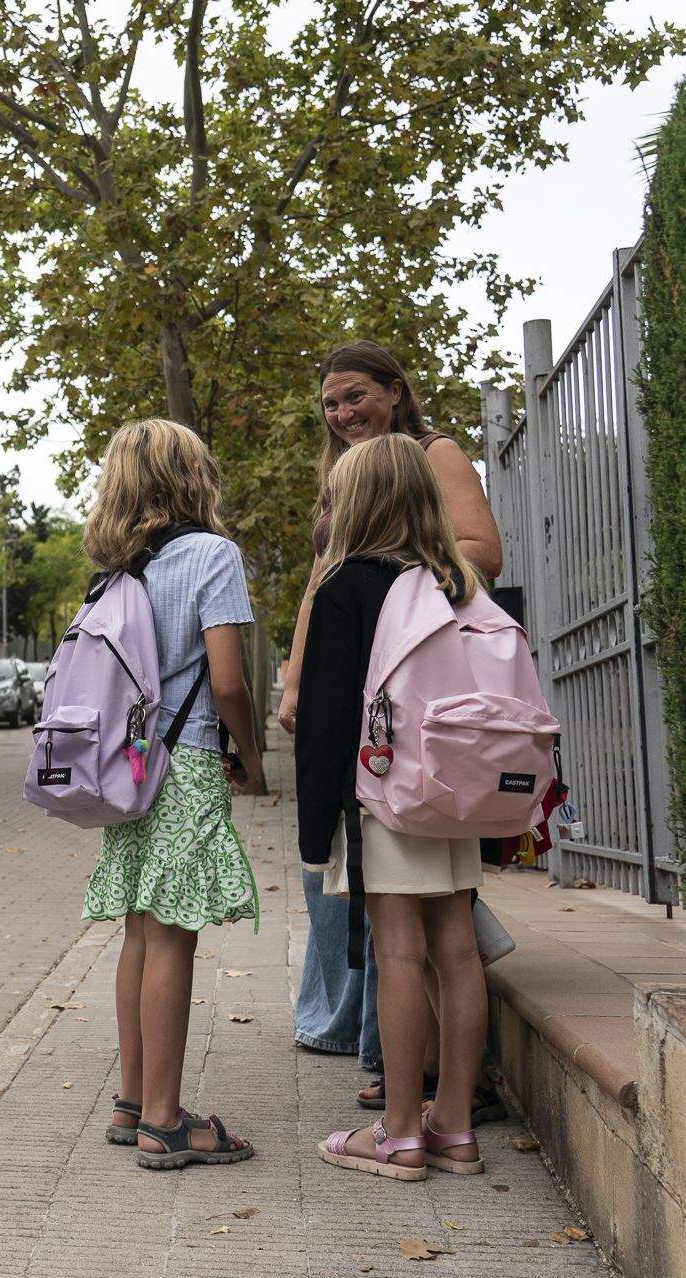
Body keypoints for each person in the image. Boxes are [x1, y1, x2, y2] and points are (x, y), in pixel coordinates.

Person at [280, 342, 505, 1116]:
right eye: (330, 403)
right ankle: (446, 1102)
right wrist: (296, 673)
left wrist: (387, 581)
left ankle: (411, 1111)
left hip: (399, 738)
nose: (343, 413)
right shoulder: (347, 487)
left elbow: (481, 553)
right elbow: (318, 585)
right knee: (448, 934)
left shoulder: (428, 458)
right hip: (419, 733)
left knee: (407, 940)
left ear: (396, 390)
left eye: (356, 396)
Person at [299, 434, 488, 1181]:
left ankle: (400, 1131)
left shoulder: (348, 586)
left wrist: (316, 829)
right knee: (458, 950)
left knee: (400, 950)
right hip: (456, 790)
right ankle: (455, 1126)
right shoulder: (457, 581)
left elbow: (324, 721)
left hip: (384, 793)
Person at [78, 419, 263, 1170]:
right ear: (193, 476)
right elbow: (228, 681)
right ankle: (164, 1121)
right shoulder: (213, 556)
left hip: (128, 764)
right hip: (185, 761)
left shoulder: (116, 572)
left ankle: (131, 1100)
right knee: (173, 933)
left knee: (137, 929)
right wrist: (251, 757)